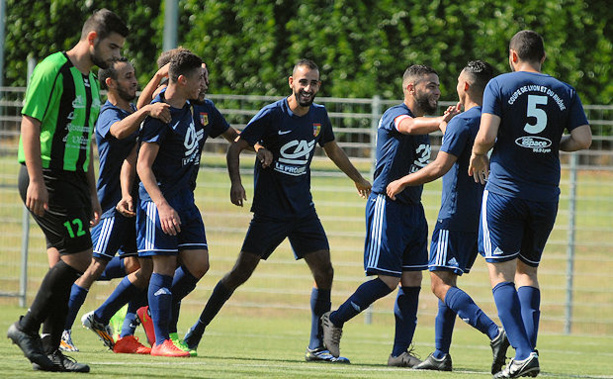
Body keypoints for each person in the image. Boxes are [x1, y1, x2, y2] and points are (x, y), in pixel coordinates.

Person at [182, 59, 372, 364]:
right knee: (238, 274)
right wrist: (236, 183)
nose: (308, 88)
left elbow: (332, 149)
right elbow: (236, 146)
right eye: (303, 82)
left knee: (325, 271)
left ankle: (317, 347)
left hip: (303, 211)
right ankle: (197, 330)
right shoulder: (273, 114)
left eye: (314, 83)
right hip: (270, 213)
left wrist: (358, 178)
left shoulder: (320, 116)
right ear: (291, 82)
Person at [7, 9, 128, 373]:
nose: (116, 56)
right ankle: (26, 328)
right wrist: (37, 180)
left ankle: (50, 348)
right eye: (112, 47)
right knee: (78, 258)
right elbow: (30, 123)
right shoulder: (52, 68)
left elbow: (83, 140)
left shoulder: (92, 82)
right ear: (91, 39)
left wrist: (92, 193)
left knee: (68, 261)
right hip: (46, 175)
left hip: (73, 181)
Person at [468, 30, 592, 378]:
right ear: (544, 58)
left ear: (512, 56)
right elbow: (583, 139)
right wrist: (552, 144)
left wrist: (478, 155)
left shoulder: (500, 85)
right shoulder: (564, 90)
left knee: (499, 271)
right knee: (528, 271)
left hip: (506, 190)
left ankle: (522, 353)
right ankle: (528, 352)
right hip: (545, 193)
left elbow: (487, 135)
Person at [321, 64, 460, 366]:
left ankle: (399, 353)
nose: (437, 91)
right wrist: (440, 122)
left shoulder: (425, 124)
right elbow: (407, 127)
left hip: (414, 209)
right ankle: (335, 318)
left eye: (438, 86)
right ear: (411, 88)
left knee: (412, 279)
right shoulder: (395, 114)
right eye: (431, 86)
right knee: (387, 280)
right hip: (388, 205)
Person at [386, 61, 510, 373]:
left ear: (465, 86)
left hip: (453, 214)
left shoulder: (464, 122)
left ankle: (494, 333)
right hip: (482, 211)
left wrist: (403, 180)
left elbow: (439, 167)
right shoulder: (493, 120)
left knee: (439, 285)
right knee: (448, 280)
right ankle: (441, 354)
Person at [56, 57, 171, 355]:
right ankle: (60, 329)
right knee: (93, 267)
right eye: (129, 77)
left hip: (133, 205)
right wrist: (147, 109)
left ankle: (100, 316)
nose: (134, 81)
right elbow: (119, 131)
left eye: (135, 76)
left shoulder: (129, 109)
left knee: (141, 268)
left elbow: (140, 105)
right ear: (111, 83)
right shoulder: (109, 113)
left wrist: (159, 76)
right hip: (112, 206)